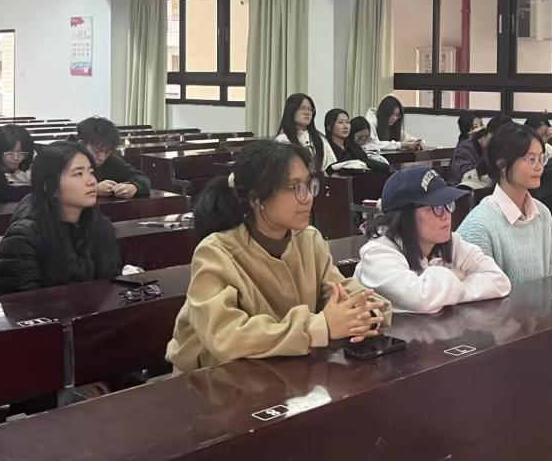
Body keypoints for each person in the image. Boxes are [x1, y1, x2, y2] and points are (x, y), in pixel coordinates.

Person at [166, 141, 391, 373]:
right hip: (213, 378)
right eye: (294, 187)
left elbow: (339, 290)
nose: (307, 197)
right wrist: (320, 327)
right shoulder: (216, 252)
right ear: (256, 199)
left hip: (282, 368)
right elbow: (227, 337)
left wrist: (367, 313)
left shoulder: (309, 239)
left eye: (308, 185)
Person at [356, 167, 510, 314]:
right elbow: (420, 299)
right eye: (436, 207)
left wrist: (453, 290)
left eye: (448, 205)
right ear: (405, 216)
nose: (446, 215)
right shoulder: (378, 254)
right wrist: (456, 276)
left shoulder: (453, 243)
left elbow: (499, 281)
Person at [0, 141, 122, 293]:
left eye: (91, 172)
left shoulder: (100, 225)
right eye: (78, 174)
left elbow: (111, 283)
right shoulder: (24, 237)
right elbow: (22, 302)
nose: (92, 181)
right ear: (50, 186)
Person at [455, 123, 552, 283]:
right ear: (501, 164)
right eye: (531, 159)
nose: (539, 167)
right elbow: (472, 290)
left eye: (541, 158)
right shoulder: (479, 226)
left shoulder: (542, 213)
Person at [77, 116, 150, 199]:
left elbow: (142, 178)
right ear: (81, 145)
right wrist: (93, 189)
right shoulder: (67, 159)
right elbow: (64, 190)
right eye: (96, 151)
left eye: (107, 152)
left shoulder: (111, 160)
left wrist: (134, 187)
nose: (102, 157)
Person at [446, 114, 510, 187]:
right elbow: (465, 175)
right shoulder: (465, 147)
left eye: (481, 124)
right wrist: (487, 153)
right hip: (464, 187)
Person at [323, 108, 389, 174]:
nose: (345, 127)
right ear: (329, 127)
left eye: (347, 122)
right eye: (340, 122)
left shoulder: (354, 146)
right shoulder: (325, 148)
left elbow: (366, 162)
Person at [275, 93, 326, 173]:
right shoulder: (283, 140)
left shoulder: (319, 138)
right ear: (291, 111)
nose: (307, 112)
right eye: (302, 108)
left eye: (310, 109)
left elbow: (330, 166)